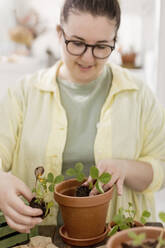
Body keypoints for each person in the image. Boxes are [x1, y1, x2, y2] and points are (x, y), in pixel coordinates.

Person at [0, 0, 165, 234]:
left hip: (116, 236)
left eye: (101, 46)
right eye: (76, 43)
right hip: (38, 237)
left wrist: (126, 168)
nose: (87, 58)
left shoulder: (139, 96)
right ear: (59, 34)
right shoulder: (22, 94)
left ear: (115, 43)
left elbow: (161, 167)